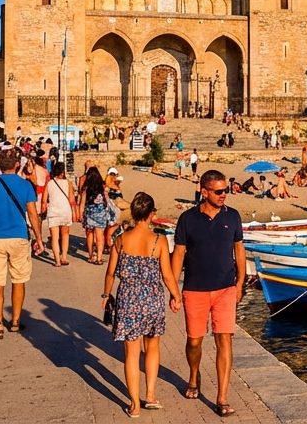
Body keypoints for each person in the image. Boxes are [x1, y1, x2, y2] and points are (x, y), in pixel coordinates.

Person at [171, 170, 245, 418]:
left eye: (226, 190)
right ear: (204, 192)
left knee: (224, 339)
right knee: (194, 341)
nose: (225, 195)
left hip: (225, 288)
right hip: (195, 289)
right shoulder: (187, 219)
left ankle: (222, 398)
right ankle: (194, 375)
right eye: (219, 191)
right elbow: (178, 254)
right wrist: (173, 290)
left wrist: (241, 281)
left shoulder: (233, 217)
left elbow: (239, 250)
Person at [103, 193, 182, 417]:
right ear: (151, 214)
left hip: (128, 298)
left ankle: (134, 406)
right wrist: (176, 296)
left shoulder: (120, 239)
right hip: (152, 299)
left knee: (131, 353)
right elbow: (167, 276)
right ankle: (150, 395)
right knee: (152, 348)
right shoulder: (159, 241)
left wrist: (105, 294)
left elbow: (110, 273)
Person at [0, 155, 44, 339]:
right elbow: (33, 214)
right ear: (16, 165)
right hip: (19, 237)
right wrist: (39, 238)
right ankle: (15, 321)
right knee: (18, 280)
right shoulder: (26, 185)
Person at [44, 164, 75, 267]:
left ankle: (57, 260)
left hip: (53, 212)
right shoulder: (68, 183)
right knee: (65, 235)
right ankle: (64, 257)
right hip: (65, 211)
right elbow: (71, 199)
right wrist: (75, 212)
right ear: (62, 173)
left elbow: (44, 200)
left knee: (54, 238)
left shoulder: (49, 183)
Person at [79, 168, 111, 265]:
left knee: (89, 235)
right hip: (100, 214)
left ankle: (90, 256)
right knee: (100, 236)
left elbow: (82, 203)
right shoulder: (102, 187)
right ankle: (99, 258)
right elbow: (107, 201)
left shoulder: (86, 188)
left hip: (89, 214)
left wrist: (80, 214)